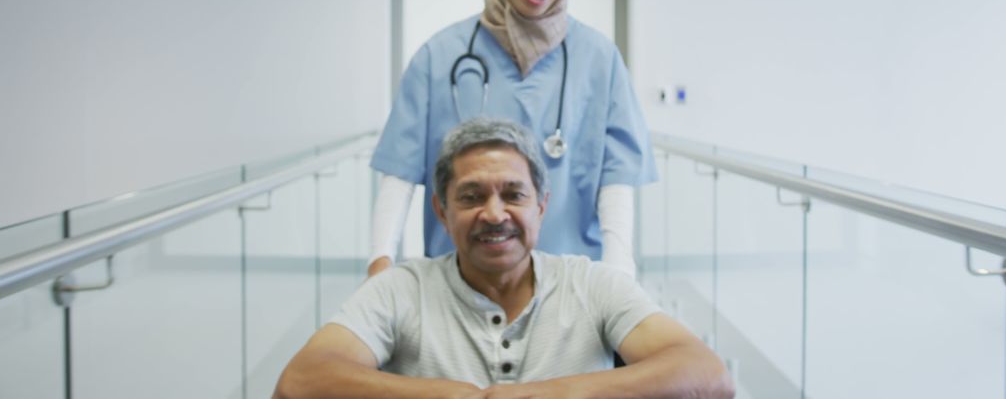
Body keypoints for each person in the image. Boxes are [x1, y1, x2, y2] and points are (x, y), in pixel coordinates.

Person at [274, 119, 733, 399]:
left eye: (513, 194)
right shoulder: (401, 290)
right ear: (441, 210)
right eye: (471, 197)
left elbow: (708, 376)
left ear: (541, 205)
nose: (494, 214)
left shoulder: (593, 284)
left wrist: (554, 394)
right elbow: (300, 382)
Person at [369, 0, 655, 278]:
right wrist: (381, 259)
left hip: (569, 278)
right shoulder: (440, 54)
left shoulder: (599, 58)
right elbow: (399, 172)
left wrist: (620, 271)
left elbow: (617, 179)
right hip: (461, 279)